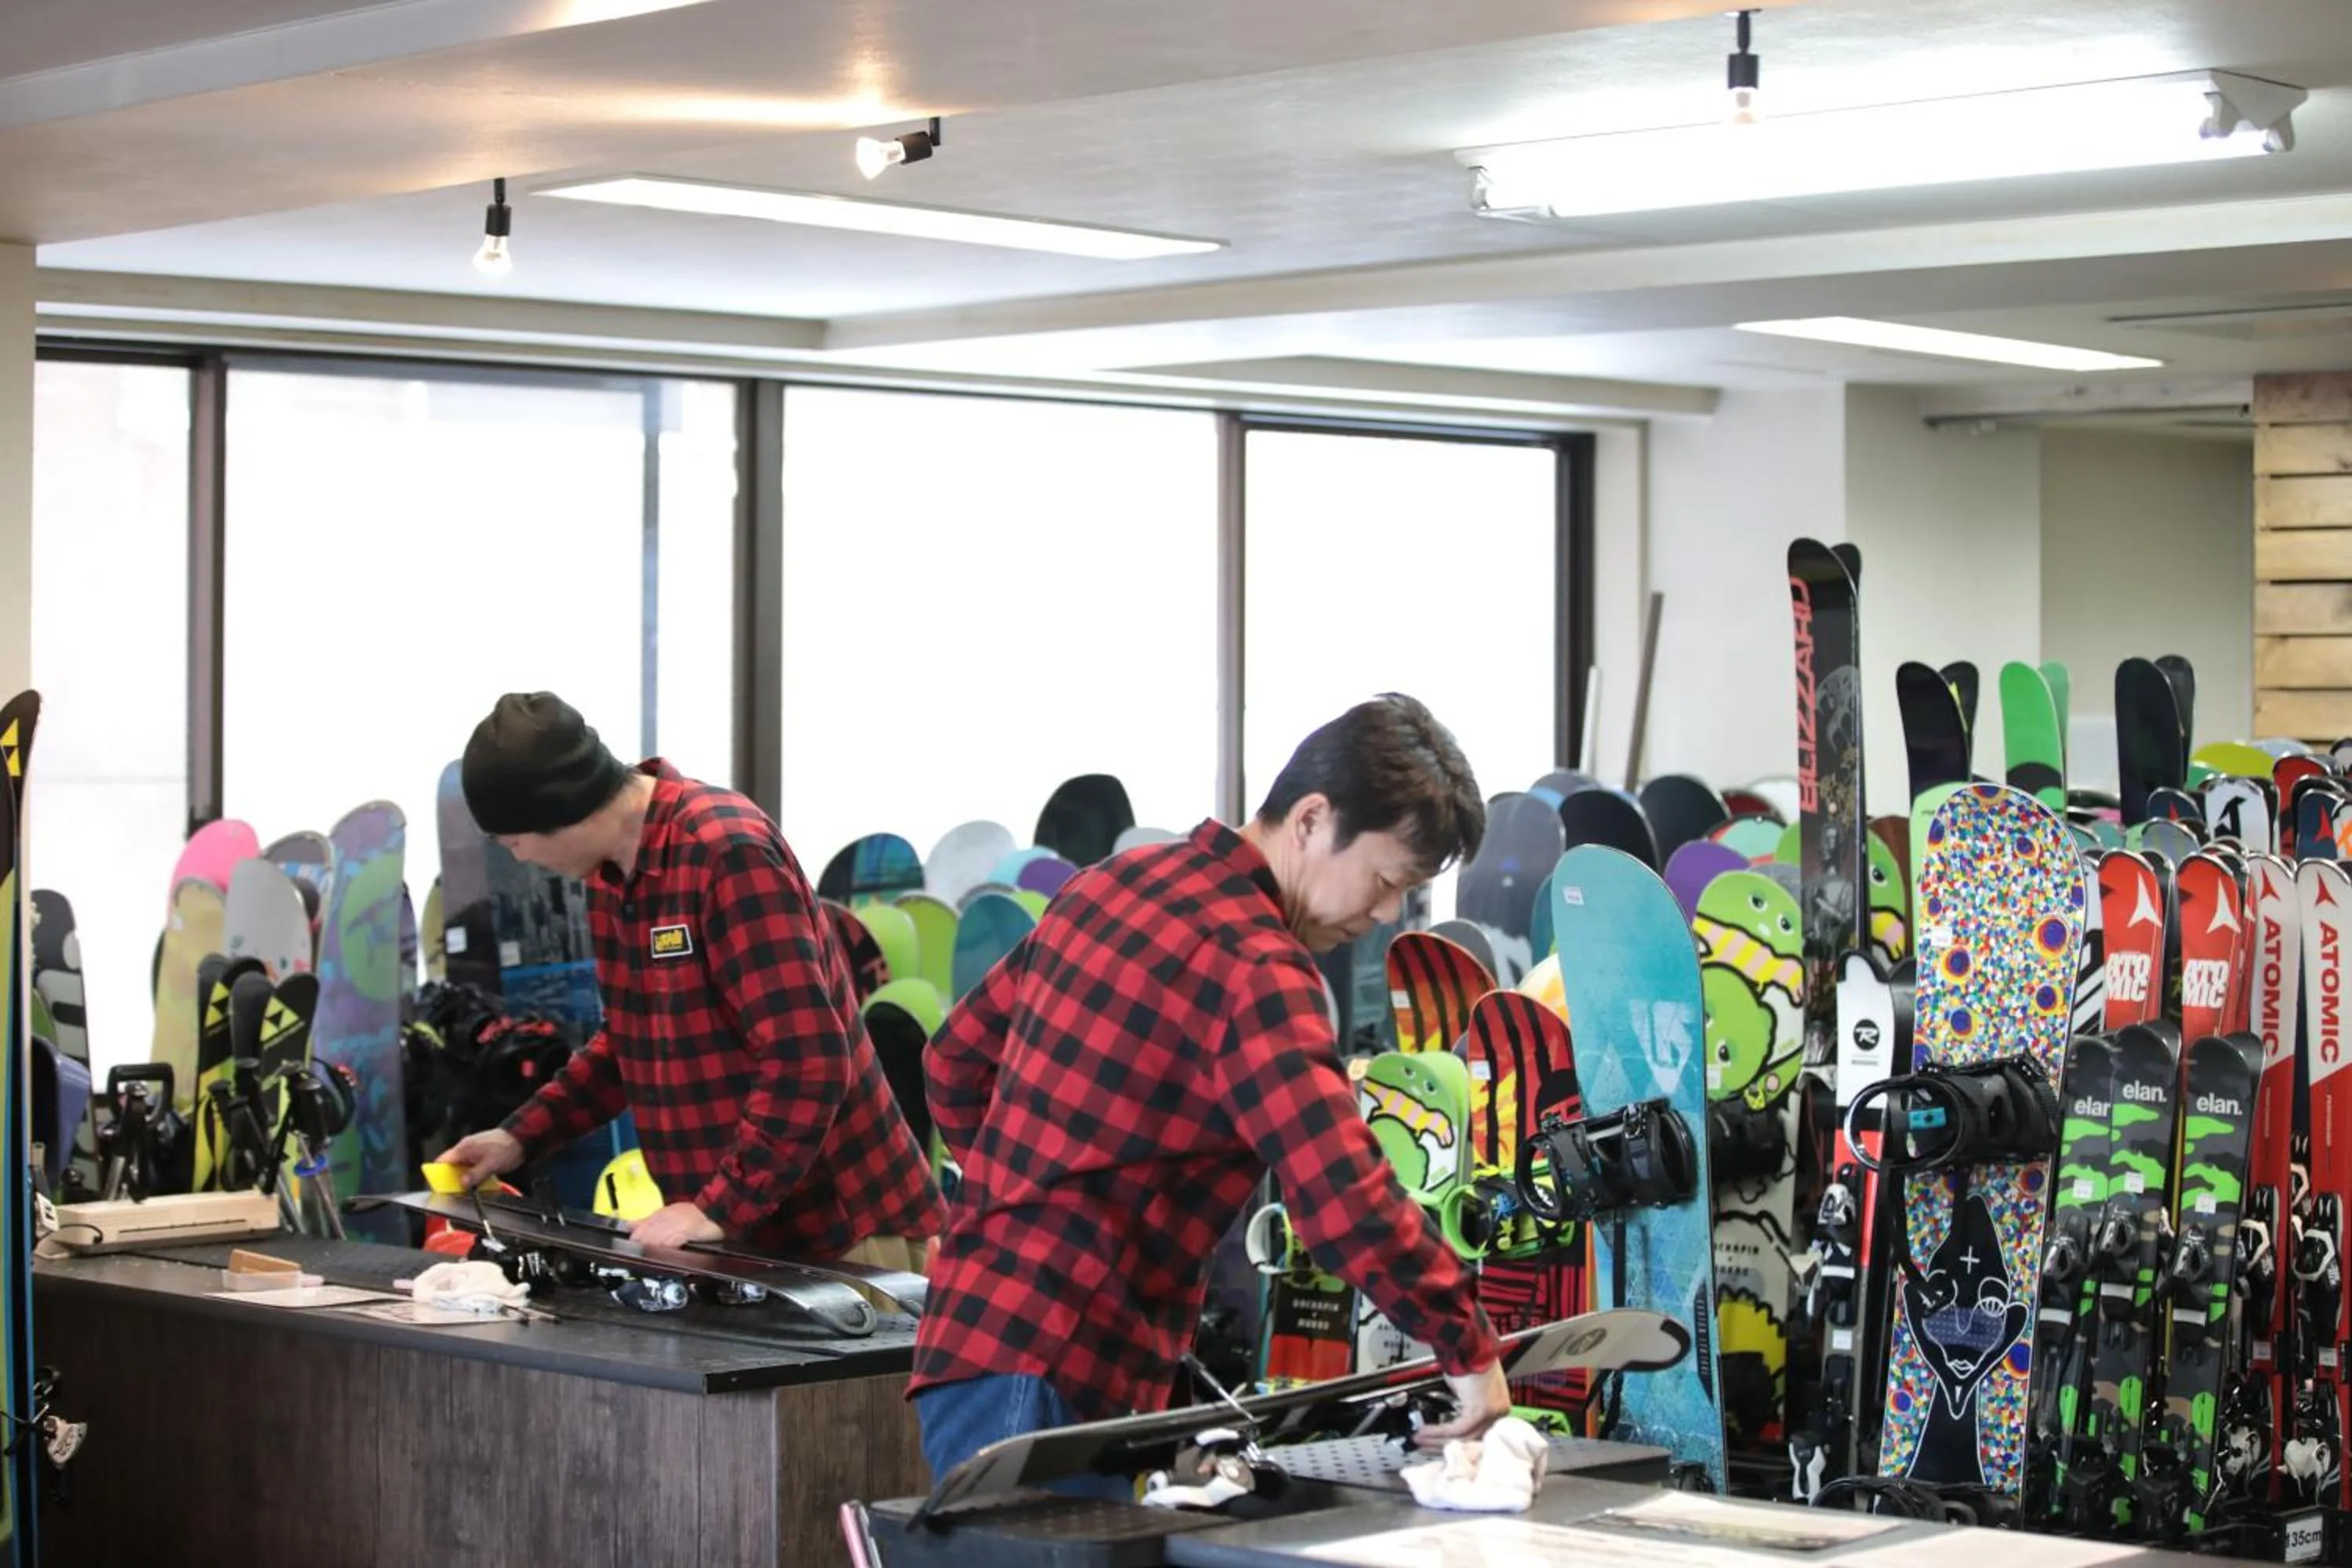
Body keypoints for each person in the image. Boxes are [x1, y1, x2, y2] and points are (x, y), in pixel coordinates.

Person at [910, 693, 1510, 1490]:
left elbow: (954, 1062)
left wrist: (1023, 1196)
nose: (1385, 913)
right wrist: (1469, 1350)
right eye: (1384, 879)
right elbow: (1344, 1195)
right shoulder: (1258, 965)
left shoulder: (1111, 885)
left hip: (978, 1344)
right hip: (1054, 1372)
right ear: (1311, 819)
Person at [436, 691, 943, 1268]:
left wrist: (720, 1207)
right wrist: (518, 1137)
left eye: (514, 841)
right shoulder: (611, 881)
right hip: (742, 1231)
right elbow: (628, 1044)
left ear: (559, 806)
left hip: (840, 1230)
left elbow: (808, 1058)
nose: (520, 858)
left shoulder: (725, 851)